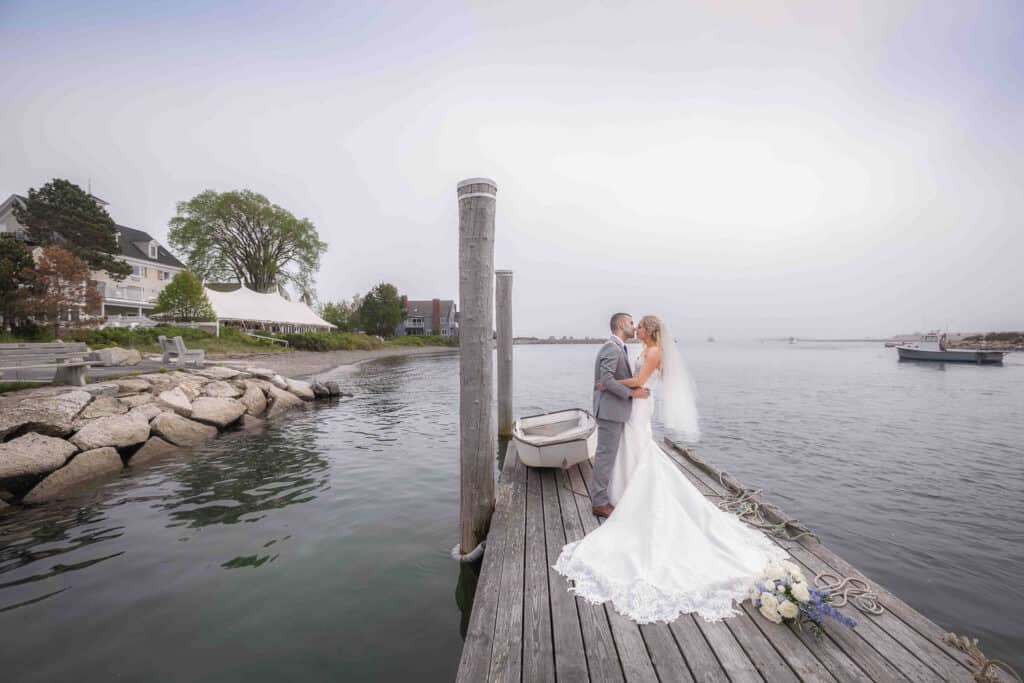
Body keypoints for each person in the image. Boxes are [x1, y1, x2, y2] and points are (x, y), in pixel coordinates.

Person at [555, 315, 787, 623]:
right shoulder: (634, 349)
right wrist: (617, 386)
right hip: (632, 406)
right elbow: (631, 381)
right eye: (631, 323)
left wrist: (614, 386)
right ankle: (621, 494)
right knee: (630, 452)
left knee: (639, 451)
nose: (635, 327)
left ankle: (629, 496)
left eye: (638, 325)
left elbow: (639, 383)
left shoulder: (652, 352)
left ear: (649, 331)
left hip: (638, 407)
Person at [589, 313, 650, 518]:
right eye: (631, 323)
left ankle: (606, 495)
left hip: (614, 411)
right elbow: (606, 379)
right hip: (609, 411)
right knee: (605, 457)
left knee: (608, 456)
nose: (634, 327)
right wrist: (632, 393)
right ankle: (599, 503)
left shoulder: (619, 348)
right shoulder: (611, 347)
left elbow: (611, 379)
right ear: (622, 324)